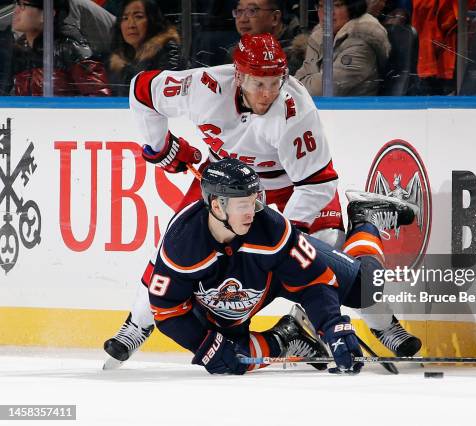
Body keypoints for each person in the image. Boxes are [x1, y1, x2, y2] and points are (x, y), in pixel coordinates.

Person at [103, 33, 421, 367]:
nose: (267, 93)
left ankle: (378, 308)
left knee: (328, 260)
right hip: (226, 185)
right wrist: (160, 147)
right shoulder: (203, 88)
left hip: (294, 188)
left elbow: (316, 185)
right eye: (258, 83)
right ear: (239, 76)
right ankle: (137, 324)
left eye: (274, 82)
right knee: (173, 245)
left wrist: (280, 238)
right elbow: (142, 90)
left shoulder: (296, 112)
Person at [147, 158, 419, 374]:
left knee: (366, 290)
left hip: (276, 273)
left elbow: (313, 280)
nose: (252, 212)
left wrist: (332, 325)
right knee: (233, 359)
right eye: (243, 204)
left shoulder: (271, 229)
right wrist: (203, 345)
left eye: (254, 202)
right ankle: (287, 336)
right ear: (217, 206)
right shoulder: (180, 245)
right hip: (231, 300)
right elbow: (166, 310)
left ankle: (365, 216)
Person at [10, 0, 111, 96]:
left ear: (47, 14)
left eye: (23, 5)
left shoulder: (69, 46)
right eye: (17, 4)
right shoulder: (18, 50)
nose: (16, 10)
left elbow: (98, 96)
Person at [294, 0, 391, 96]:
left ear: (353, 8)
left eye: (336, 5)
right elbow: (297, 81)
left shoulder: (361, 41)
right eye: (321, 5)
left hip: (353, 109)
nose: (327, 12)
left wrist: (299, 84)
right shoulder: (319, 37)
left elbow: (322, 90)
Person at [107, 0, 186, 96]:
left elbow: (167, 94)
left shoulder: (168, 50)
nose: (131, 25)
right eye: (125, 18)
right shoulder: (116, 59)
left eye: (138, 17)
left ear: (152, 20)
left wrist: (126, 71)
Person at [228, 0, 307, 75]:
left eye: (252, 11)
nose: (242, 20)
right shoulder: (235, 52)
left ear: (275, 17)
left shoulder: (300, 55)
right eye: (239, 11)